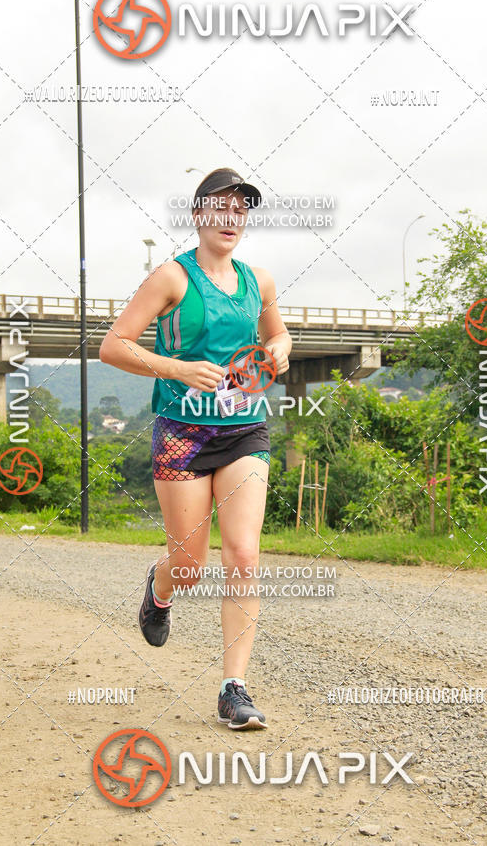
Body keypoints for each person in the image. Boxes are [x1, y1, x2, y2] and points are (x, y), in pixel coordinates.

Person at [99, 167, 292, 730]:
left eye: (241, 209)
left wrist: (280, 349)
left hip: (244, 429)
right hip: (182, 433)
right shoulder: (171, 277)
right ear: (198, 214)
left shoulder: (260, 281)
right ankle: (160, 587)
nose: (232, 218)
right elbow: (114, 345)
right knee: (189, 567)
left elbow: (278, 334)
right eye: (221, 207)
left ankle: (234, 689)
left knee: (244, 555)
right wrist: (178, 368)